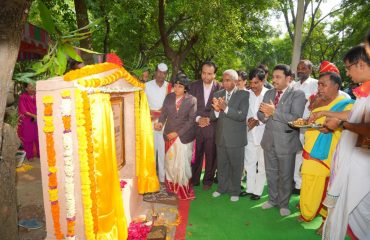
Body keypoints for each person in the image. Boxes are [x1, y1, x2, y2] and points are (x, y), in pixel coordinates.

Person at [318, 44, 370, 240]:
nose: (347, 73)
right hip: (355, 163)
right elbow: (354, 114)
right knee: (353, 214)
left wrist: (342, 125)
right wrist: (327, 113)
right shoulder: (365, 91)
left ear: (362, 64)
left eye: (348, 68)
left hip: (363, 170)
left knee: (361, 213)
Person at [299, 72, 353, 235]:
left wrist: (333, 124)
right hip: (310, 150)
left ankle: (325, 221)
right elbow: (310, 124)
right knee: (308, 182)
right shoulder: (318, 104)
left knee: (328, 188)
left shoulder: (346, 104)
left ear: (336, 86)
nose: (319, 88)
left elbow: (346, 124)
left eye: (324, 84)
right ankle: (308, 212)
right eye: (319, 84)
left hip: (329, 156)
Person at [257, 64, 306, 216]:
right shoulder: (269, 93)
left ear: (288, 78)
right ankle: (272, 200)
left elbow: (296, 119)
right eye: (273, 76)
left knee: (285, 175)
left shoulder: (297, 94)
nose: (274, 80)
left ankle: (284, 204)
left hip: (286, 142)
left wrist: (274, 112)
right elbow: (260, 115)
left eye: (278, 77)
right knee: (271, 173)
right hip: (269, 140)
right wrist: (265, 115)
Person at [154, 72, 197, 200]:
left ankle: (183, 189)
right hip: (169, 135)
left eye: (180, 86)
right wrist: (160, 124)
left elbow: (191, 121)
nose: (177, 88)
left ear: (185, 88)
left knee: (182, 164)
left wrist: (177, 133)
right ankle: (171, 188)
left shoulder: (192, 100)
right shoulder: (169, 97)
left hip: (183, 137)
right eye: (175, 85)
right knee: (170, 163)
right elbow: (164, 113)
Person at [211, 69, 249, 202]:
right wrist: (216, 111)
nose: (225, 83)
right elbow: (212, 117)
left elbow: (241, 115)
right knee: (222, 165)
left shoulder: (243, 95)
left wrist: (225, 108)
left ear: (235, 81)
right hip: (221, 137)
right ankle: (221, 188)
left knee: (236, 166)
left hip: (236, 139)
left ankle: (235, 191)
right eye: (223, 80)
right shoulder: (218, 94)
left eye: (228, 80)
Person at [189, 61, 221, 190]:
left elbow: (221, 107)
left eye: (209, 74)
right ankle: (194, 179)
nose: (206, 76)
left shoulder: (220, 88)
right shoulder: (193, 86)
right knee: (196, 154)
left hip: (212, 126)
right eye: (203, 73)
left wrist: (208, 119)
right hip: (196, 125)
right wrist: (198, 118)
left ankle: (208, 181)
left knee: (211, 154)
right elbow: (189, 106)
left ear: (214, 74)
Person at [240, 68, 268, 200]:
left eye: (256, 83)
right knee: (249, 162)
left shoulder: (269, 94)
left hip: (264, 134)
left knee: (262, 164)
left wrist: (258, 122)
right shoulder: (247, 94)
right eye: (251, 83)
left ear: (263, 81)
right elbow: (244, 112)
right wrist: (248, 121)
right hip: (249, 133)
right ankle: (249, 188)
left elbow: (271, 115)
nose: (253, 86)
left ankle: (258, 191)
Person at [291, 60, 318, 195]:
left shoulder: (315, 84)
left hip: (307, 126)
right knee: (294, 154)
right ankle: (294, 181)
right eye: (298, 68)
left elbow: (317, 103)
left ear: (310, 70)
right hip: (292, 125)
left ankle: (300, 185)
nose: (300, 70)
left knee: (303, 155)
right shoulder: (293, 85)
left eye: (303, 68)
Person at [145, 63, 171, 183]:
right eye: (159, 72)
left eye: (164, 73)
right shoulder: (146, 86)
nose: (161, 75)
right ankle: (150, 178)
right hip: (149, 122)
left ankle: (161, 178)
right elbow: (142, 104)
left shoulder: (169, 87)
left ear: (166, 74)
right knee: (150, 151)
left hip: (164, 123)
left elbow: (170, 106)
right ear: (155, 72)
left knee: (162, 151)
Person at [18, 82, 39, 161]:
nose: (33, 87)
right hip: (28, 120)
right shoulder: (23, 97)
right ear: (26, 89)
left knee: (38, 138)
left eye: (33, 86)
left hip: (38, 120)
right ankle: (30, 156)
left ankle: (40, 154)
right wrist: (34, 116)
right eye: (30, 86)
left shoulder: (37, 96)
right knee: (28, 138)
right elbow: (23, 110)